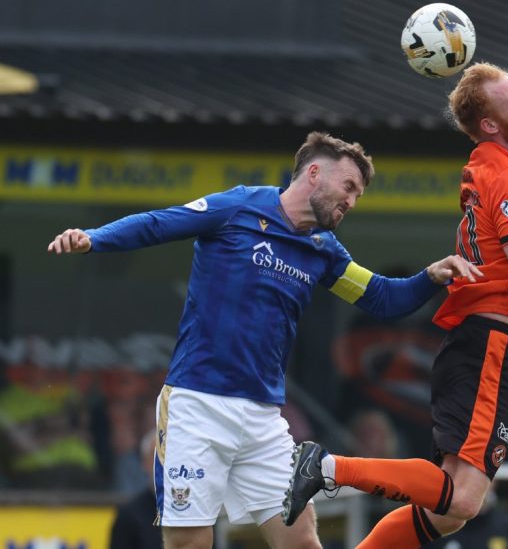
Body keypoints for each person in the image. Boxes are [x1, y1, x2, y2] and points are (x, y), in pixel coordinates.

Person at [282, 62, 508, 547]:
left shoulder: (507, 169)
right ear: (491, 125)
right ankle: (326, 466)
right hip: (493, 347)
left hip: (489, 345)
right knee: (462, 501)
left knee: (447, 514)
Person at [47, 131, 482, 549]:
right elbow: (159, 223)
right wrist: (93, 239)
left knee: (302, 541)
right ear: (313, 173)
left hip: (263, 419)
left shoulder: (323, 249)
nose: (351, 200)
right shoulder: (239, 207)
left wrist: (430, 277)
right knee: (190, 542)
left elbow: (382, 299)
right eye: (348, 186)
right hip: (198, 404)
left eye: (357, 196)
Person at [109, 430, 162, 549]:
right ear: (144, 463)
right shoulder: (128, 516)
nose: (163, 464)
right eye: (156, 457)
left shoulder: (193, 513)